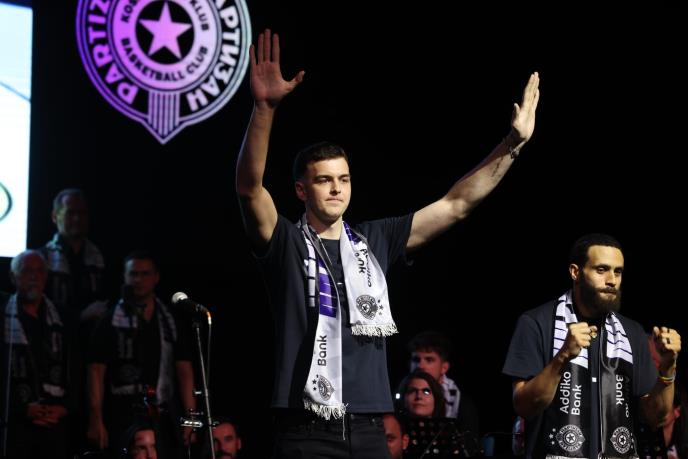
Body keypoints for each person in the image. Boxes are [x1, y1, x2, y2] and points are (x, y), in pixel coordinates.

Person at [235, 28, 539, 457]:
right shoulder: (285, 240)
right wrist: (264, 109)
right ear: (301, 190)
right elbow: (249, 189)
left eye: (344, 179)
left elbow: (456, 205)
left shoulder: (376, 238)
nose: (337, 188)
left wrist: (512, 145)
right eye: (324, 180)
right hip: (304, 429)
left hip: (369, 428)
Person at [502, 233, 682, 459]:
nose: (612, 280)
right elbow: (524, 406)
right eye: (601, 269)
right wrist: (562, 357)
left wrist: (667, 367)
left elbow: (655, 417)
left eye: (618, 271)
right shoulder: (536, 323)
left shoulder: (632, 332)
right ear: (575, 272)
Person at [86, 251, 196, 458]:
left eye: (145, 274)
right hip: (121, 413)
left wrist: (190, 418)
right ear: (125, 276)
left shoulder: (170, 320)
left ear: (156, 277)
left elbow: (184, 370)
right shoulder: (109, 320)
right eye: (133, 274)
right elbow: (96, 371)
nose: (138, 280)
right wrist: (95, 419)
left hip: (161, 413)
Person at [0, 250, 71, 458]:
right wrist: (21, 410)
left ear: (46, 277)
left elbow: (75, 367)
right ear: (13, 277)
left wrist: (65, 407)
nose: (34, 276)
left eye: (40, 271)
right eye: (27, 271)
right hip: (13, 425)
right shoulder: (3, 315)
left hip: (55, 423)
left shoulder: (63, 317)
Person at [40, 188, 105, 321]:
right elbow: (38, 304)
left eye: (82, 213)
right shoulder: (41, 259)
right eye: (70, 213)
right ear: (54, 216)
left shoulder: (101, 258)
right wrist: (79, 316)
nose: (77, 219)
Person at [408, 330, 479, 435]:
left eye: (429, 360)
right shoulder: (398, 397)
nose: (420, 366)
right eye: (416, 359)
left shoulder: (462, 405)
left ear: (444, 367)